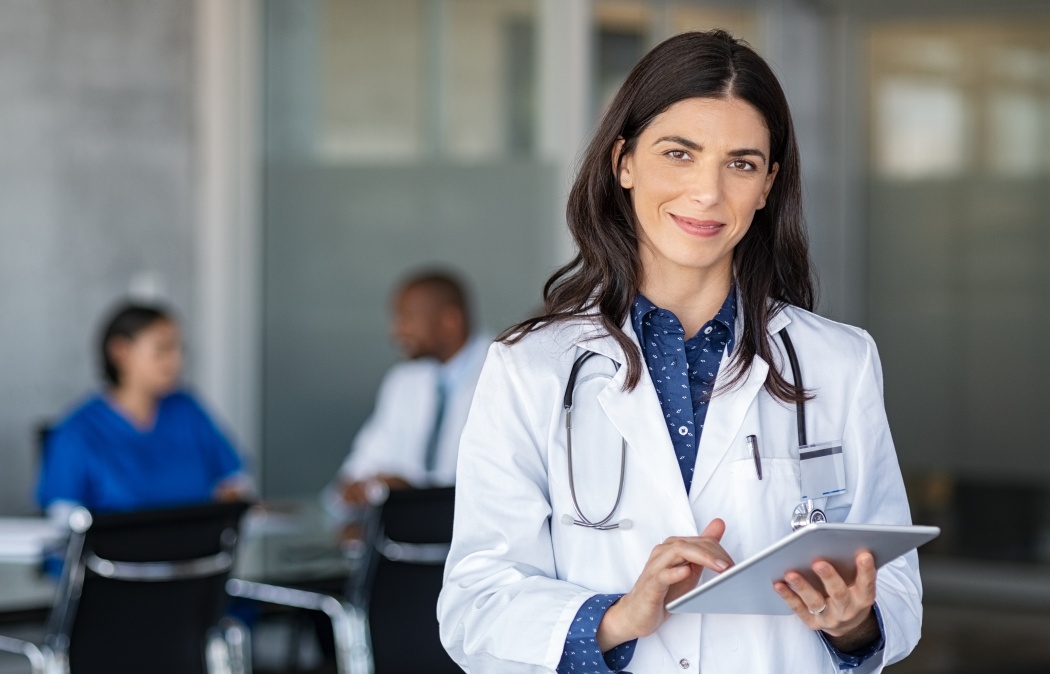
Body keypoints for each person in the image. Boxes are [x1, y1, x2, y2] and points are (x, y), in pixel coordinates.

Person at [438, 30, 921, 673]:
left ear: (768, 184)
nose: (708, 192)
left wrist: (855, 621)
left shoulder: (840, 363)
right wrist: (616, 618)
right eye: (680, 153)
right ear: (625, 162)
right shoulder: (530, 369)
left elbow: (897, 589)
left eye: (741, 164)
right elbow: (475, 604)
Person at [37, 302, 249, 519]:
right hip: (113, 553)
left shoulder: (187, 411)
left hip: (198, 550)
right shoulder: (76, 432)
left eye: (179, 349)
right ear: (121, 351)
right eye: (162, 349)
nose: (176, 361)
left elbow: (233, 481)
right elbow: (63, 518)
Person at [331, 270, 490, 506]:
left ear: (450, 322)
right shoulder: (404, 381)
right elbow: (365, 461)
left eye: (407, 319)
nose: (395, 331)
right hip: (405, 535)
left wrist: (414, 493)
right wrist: (359, 485)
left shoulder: (504, 375)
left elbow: (493, 484)